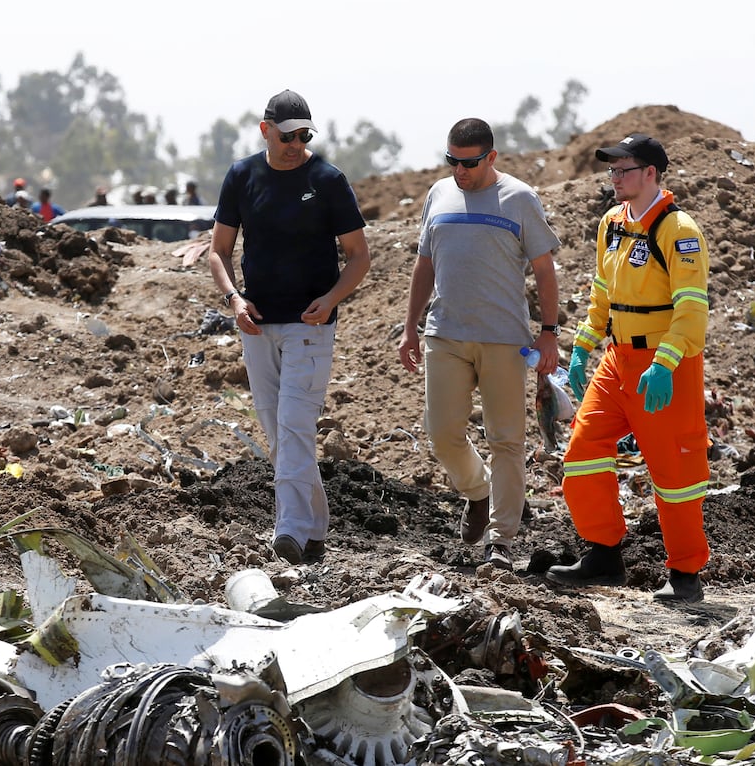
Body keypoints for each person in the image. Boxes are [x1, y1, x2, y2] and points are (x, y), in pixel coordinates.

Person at [545, 133, 712, 603]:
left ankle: (685, 576)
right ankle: (604, 555)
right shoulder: (612, 224)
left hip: (667, 365)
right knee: (582, 452)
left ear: (651, 175)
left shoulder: (679, 230)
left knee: (676, 475)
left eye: (623, 170)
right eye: (612, 170)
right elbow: (603, 292)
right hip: (617, 361)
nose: (614, 178)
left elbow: (692, 309)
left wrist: (664, 362)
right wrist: (583, 344)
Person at [210, 89, 370, 566]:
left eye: (304, 135)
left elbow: (359, 255)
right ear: (265, 131)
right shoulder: (241, 176)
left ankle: (289, 530)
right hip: (256, 327)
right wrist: (234, 299)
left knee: (295, 424)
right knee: (278, 432)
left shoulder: (327, 180)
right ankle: (315, 527)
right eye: (288, 135)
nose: (296, 144)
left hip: (309, 325)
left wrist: (332, 298)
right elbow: (219, 250)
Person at [396, 118, 563, 571]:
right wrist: (410, 326)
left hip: (504, 340)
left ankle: (501, 540)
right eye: (452, 160)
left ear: (491, 157)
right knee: (443, 434)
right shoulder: (438, 195)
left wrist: (548, 332)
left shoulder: (520, 198)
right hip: (444, 334)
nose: (459, 171)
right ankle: (479, 490)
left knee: (505, 440)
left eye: (469, 163)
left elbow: (545, 271)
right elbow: (425, 264)